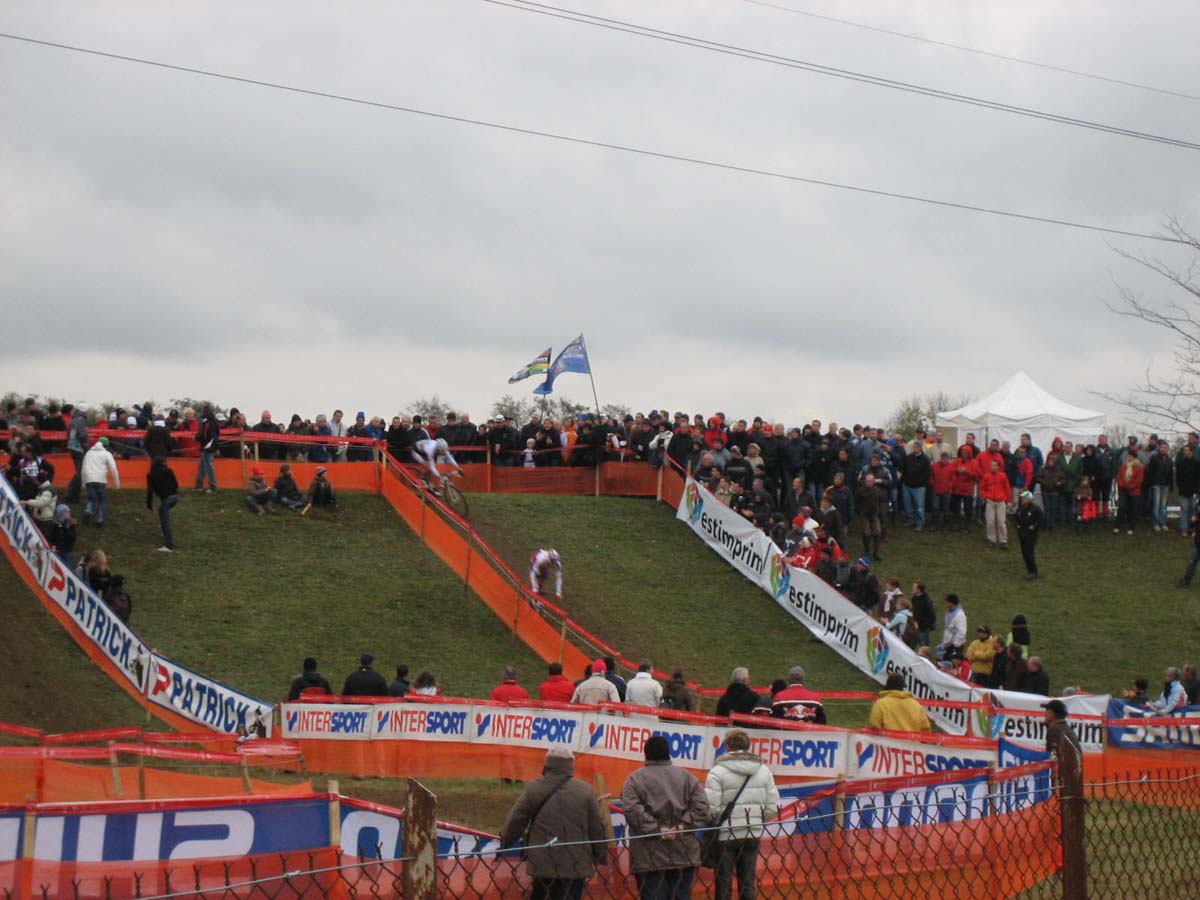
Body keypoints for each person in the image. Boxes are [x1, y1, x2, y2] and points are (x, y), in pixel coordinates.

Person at [500, 747, 609, 900]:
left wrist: (504, 842)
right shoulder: (585, 790)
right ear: (571, 765)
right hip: (575, 863)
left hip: (543, 863)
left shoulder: (534, 788)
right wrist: (600, 855)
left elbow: (516, 820)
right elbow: (596, 827)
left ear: (547, 764)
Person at [621, 735, 710, 900]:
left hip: (649, 854)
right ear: (669, 754)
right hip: (684, 851)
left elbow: (632, 809)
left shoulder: (634, 779)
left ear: (646, 754)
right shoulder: (687, 777)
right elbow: (702, 807)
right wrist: (681, 827)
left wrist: (657, 829)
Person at [704, 728, 780, 900]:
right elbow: (773, 807)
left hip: (725, 833)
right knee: (748, 884)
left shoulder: (717, 772)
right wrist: (757, 821)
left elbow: (711, 809)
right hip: (751, 831)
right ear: (748, 746)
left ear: (728, 746)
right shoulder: (764, 771)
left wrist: (715, 821)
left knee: (723, 886)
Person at [81, 437, 120, 526]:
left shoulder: (89, 453)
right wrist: (116, 484)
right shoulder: (107, 454)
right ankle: (99, 519)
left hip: (89, 479)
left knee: (91, 497)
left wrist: (83, 482)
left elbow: (83, 468)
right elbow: (113, 469)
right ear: (106, 446)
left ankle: (88, 510)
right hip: (101, 479)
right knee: (102, 500)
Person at [145, 456, 180, 552]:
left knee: (165, 522)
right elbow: (176, 484)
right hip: (175, 497)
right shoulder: (169, 471)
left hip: (166, 499)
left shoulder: (151, 475)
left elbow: (150, 492)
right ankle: (163, 528)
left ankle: (168, 546)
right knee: (162, 511)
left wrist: (149, 506)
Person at [980, 459, 1011, 549]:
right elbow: (982, 488)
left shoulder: (1003, 476)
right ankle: (991, 540)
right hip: (990, 501)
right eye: (991, 465)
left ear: (998, 467)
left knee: (1001, 522)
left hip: (1001, 501)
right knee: (990, 522)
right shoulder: (986, 476)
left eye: (994, 465)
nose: (992, 467)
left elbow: (1007, 488)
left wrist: (1008, 500)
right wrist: (985, 497)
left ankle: (1003, 541)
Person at [1015, 490, 1044, 580]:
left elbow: (1040, 521)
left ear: (1030, 499)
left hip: (1031, 535)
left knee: (1028, 552)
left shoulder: (1036, 509)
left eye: (1024, 498)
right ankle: (1030, 570)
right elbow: (1016, 518)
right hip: (1022, 534)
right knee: (1025, 552)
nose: (1022, 499)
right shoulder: (1020, 509)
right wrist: (1017, 526)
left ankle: (1033, 572)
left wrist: (1034, 527)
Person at [1115, 449, 1144, 535]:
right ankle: (1118, 525)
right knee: (1121, 507)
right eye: (1128, 456)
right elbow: (1119, 476)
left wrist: (1129, 487)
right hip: (1123, 491)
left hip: (1134, 491)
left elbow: (1139, 480)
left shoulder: (1139, 467)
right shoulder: (1123, 466)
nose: (1129, 458)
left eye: (1131, 456)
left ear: (1134, 458)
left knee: (1132, 509)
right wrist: (1122, 485)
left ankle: (1131, 526)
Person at [936, 594, 967, 666]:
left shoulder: (960, 615)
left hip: (954, 646)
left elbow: (962, 632)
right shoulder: (949, 613)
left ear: (951, 603)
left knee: (950, 665)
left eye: (947, 603)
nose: (945, 605)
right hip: (948, 644)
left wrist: (956, 645)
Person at [911, 581, 935, 649]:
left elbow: (931, 616)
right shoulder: (914, 598)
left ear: (919, 589)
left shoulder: (926, 601)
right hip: (915, 626)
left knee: (923, 646)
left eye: (914, 587)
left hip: (923, 628)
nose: (912, 588)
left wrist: (923, 625)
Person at [1179, 512, 1200, 588]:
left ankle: (1186, 581)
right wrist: (1193, 521)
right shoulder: (1197, 515)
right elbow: (1192, 526)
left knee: (1192, 563)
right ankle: (1186, 581)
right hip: (1197, 543)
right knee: (1192, 563)